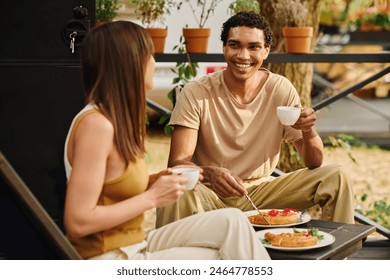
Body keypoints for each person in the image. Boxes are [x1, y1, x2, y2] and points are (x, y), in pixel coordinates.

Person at [63, 20, 270, 260]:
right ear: (128, 63)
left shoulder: (113, 119)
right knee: (222, 257)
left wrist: (159, 181)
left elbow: (111, 190)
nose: (153, 62)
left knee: (232, 222)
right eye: (149, 55)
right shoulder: (96, 125)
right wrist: (152, 198)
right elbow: (78, 221)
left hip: (134, 243)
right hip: (110, 257)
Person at [156, 11, 355, 228]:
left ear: (266, 51)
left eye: (253, 47)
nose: (243, 55)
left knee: (337, 176)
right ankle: (171, 259)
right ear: (224, 48)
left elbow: (313, 162)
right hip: (209, 195)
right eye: (235, 45)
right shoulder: (196, 92)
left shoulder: (280, 89)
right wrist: (209, 174)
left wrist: (309, 130)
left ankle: (340, 258)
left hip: (261, 194)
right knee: (175, 185)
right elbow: (176, 164)